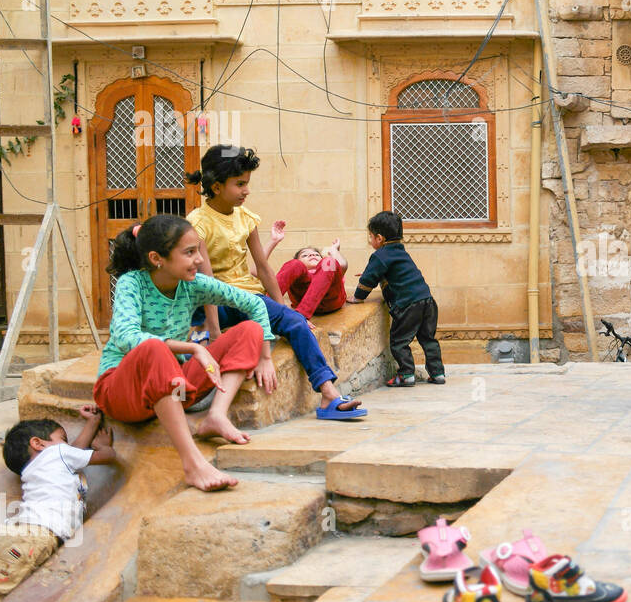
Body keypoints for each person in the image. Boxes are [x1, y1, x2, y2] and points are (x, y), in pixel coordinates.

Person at [94, 214, 275, 490]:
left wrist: (265, 358)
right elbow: (125, 337)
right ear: (157, 258)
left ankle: (217, 415)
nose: (200, 260)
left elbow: (254, 304)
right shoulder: (133, 283)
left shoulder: (193, 284)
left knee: (249, 329)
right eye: (189, 253)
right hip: (121, 390)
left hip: (172, 386)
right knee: (153, 348)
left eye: (197, 251)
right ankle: (193, 464)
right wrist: (192, 347)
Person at [185, 145, 365, 421]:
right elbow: (207, 282)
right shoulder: (197, 223)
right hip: (215, 302)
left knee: (294, 323)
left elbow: (264, 269)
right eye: (240, 184)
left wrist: (285, 312)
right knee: (215, 317)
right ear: (217, 186)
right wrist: (215, 333)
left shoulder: (246, 217)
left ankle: (329, 393)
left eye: (248, 184)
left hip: (247, 297)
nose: (246, 191)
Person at [0, 406, 118, 602]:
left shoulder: (42, 464)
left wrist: (92, 422)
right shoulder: (59, 453)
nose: (68, 445)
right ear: (38, 443)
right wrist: (102, 445)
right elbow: (106, 456)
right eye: (63, 439)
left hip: (11, 533)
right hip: (33, 536)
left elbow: (76, 451)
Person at [350, 210, 445, 387]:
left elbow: (367, 280)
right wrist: (374, 273)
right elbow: (396, 272)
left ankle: (406, 374)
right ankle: (438, 373)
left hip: (408, 304)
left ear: (379, 238)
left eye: (371, 237)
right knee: (428, 339)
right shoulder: (401, 251)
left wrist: (357, 297)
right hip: (427, 300)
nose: (371, 241)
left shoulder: (379, 255)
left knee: (399, 341)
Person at [267, 228, 348, 320]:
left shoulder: (327, 266)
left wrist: (334, 250)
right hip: (301, 298)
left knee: (329, 261)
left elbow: (342, 265)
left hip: (331, 302)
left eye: (317, 255)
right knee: (293, 264)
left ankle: (301, 315)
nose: (312, 255)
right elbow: (259, 269)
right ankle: (266, 305)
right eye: (305, 255)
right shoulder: (297, 267)